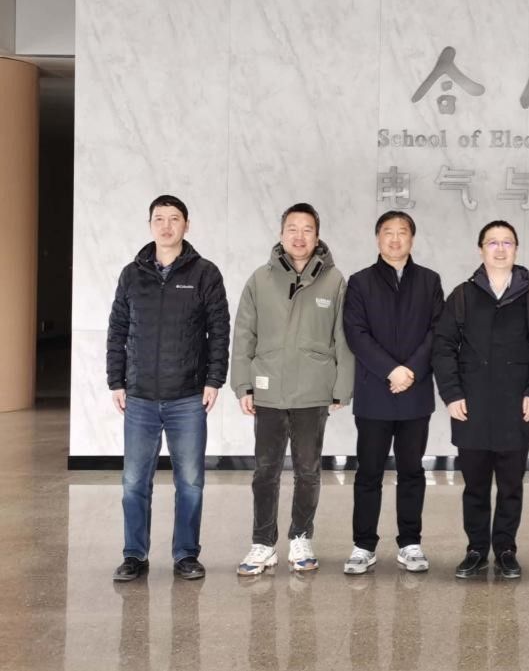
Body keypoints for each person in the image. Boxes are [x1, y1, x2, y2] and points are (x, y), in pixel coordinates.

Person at [107, 194, 230, 582]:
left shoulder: (205, 273)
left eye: (174, 219)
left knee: (190, 482)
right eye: (159, 219)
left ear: (186, 225)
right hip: (140, 396)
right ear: (150, 225)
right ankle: (134, 555)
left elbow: (219, 331)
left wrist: (214, 379)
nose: (166, 226)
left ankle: (186, 554)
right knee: (133, 483)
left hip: (187, 397)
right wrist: (116, 380)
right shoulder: (131, 274)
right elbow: (117, 330)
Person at [232, 203, 353, 575]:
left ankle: (301, 537)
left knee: (308, 471)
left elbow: (343, 336)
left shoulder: (334, 281)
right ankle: (263, 543)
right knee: (265, 471)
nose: (299, 237)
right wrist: (243, 384)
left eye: (307, 230)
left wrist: (342, 387)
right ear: (281, 234)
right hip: (268, 389)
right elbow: (244, 334)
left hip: (312, 391)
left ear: (317, 236)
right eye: (292, 229)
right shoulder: (260, 279)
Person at [432, 220, 529, 580]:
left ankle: (505, 549)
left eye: (507, 243)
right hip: (470, 405)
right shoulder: (462, 295)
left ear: (516, 249)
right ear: (481, 249)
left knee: (511, 485)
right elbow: (443, 347)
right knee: (474, 485)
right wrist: (452, 394)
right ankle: (475, 549)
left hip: (517, 406)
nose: (500, 249)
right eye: (492, 243)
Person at [341, 211, 444, 575]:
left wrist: (410, 371)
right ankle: (363, 545)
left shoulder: (429, 281)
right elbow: (356, 334)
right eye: (388, 232)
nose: (395, 239)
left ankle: (410, 543)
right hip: (375, 393)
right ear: (378, 238)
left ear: (412, 239)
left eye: (402, 232)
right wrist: (391, 370)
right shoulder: (360, 282)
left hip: (415, 394)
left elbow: (438, 332)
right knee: (368, 472)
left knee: (412, 471)